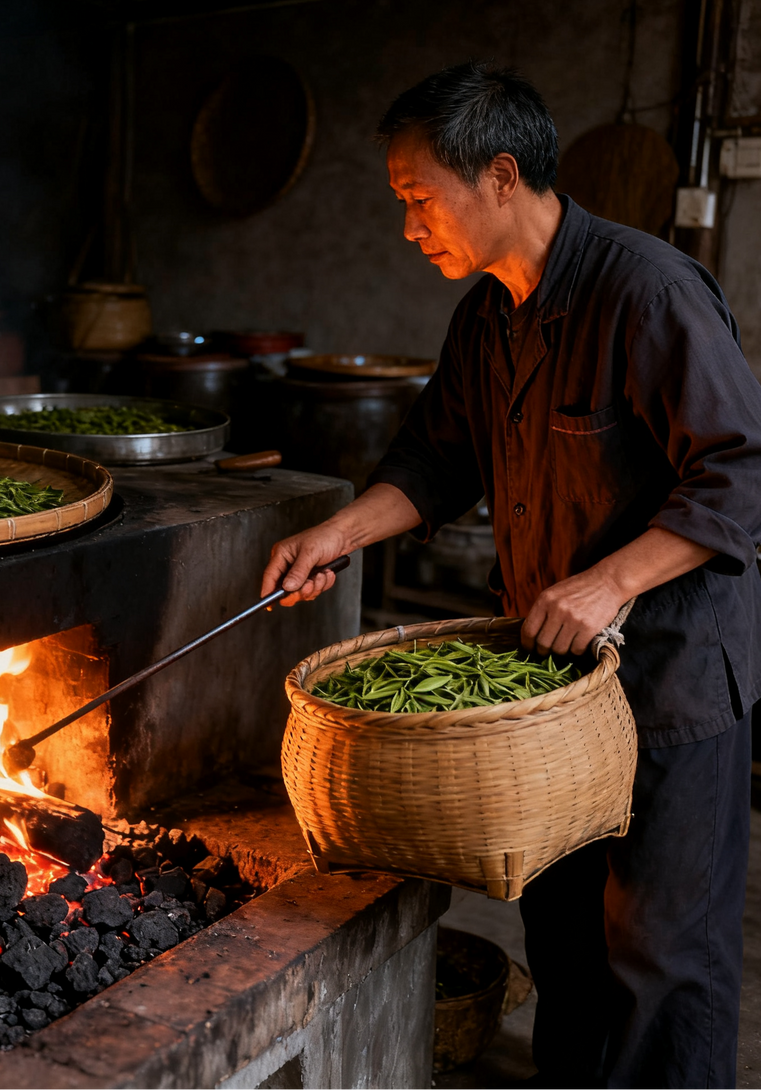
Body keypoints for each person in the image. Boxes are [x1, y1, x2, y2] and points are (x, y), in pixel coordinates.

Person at [262, 61, 761, 1090]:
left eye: (415, 198)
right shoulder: (486, 315)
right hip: (549, 700)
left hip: (668, 679)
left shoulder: (646, 290)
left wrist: (611, 581)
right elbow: (436, 461)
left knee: (662, 962)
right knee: (571, 947)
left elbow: (742, 472)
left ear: (498, 176)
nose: (408, 227)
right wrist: (338, 533)